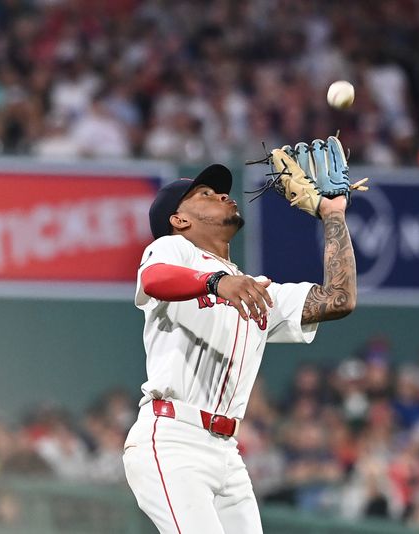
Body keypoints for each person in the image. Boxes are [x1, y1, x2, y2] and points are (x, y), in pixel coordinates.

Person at [122, 151, 358, 534]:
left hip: (227, 453)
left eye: (219, 191)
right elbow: (153, 279)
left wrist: (333, 214)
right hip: (172, 440)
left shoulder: (256, 291)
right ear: (179, 220)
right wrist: (215, 282)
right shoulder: (174, 249)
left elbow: (338, 299)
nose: (220, 195)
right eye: (204, 194)